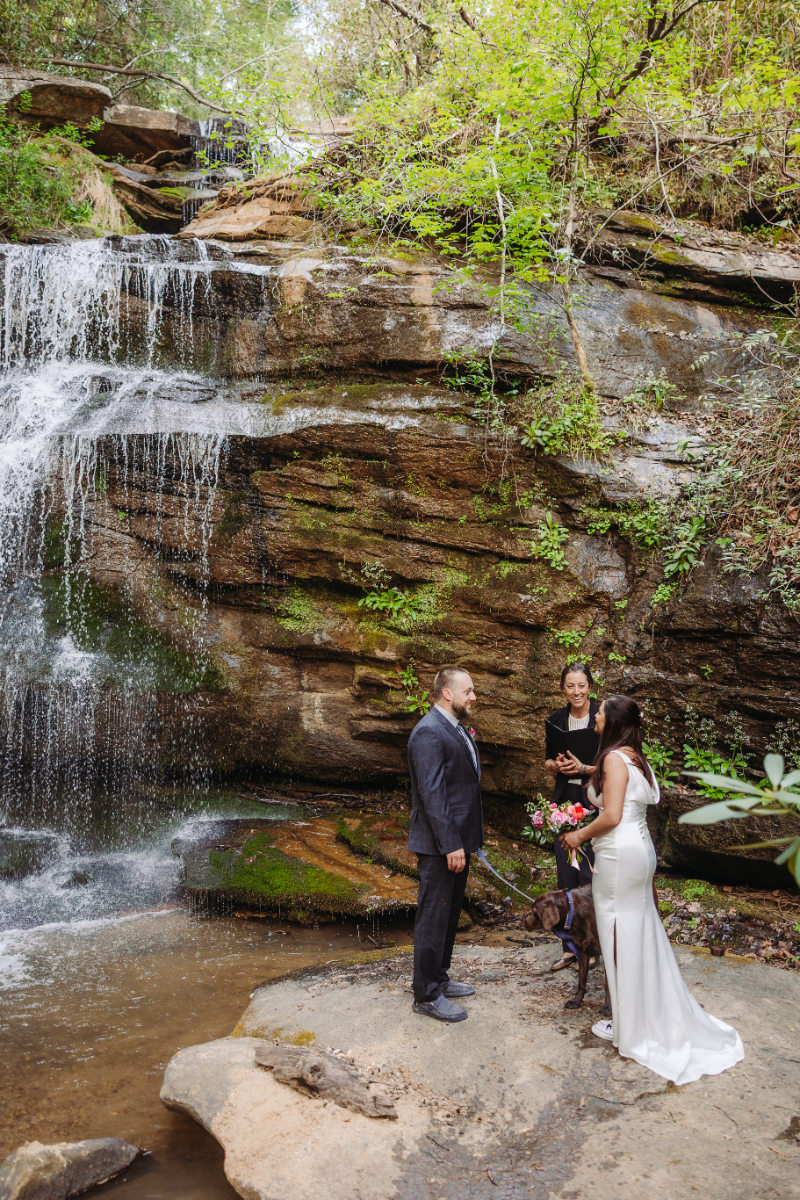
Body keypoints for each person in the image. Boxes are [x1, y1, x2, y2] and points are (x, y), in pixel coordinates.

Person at [560, 695, 744, 1085]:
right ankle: (644, 1013)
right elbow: (618, 786)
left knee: (615, 934)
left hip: (618, 855)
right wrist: (587, 768)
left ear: (612, 721)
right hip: (641, 854)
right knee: (641, 929)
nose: (595, 713)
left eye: (601, 711)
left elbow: (610, 816)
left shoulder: (613, 760)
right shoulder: (633, 757)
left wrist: (578, 834)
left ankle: (628, 1025)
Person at [406, 666, 484, 1023]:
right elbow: (433, 795)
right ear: (447, 693)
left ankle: (439, 977)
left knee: (450, 913)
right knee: (433, 917)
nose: (473, 696)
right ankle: (426, 994)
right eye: (467, 691)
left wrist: (465, 842)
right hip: (440, 845)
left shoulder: (454, 728)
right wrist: (451, 844)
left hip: (457, 841)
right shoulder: (428, 733)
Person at [544, 661, 600, 970]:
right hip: (565, 800)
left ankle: (591, 945)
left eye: (581, 685)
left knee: (589, 874)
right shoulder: (556, 719)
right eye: (570, 686)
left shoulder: (603, 717)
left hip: (594, 799)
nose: (576, 692)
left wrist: (584, 769)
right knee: (566, 872)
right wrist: (558, 766)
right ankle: (569, 946)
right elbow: (548, 760)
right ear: (563, 688)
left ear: (589, 686)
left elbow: (614, 765)